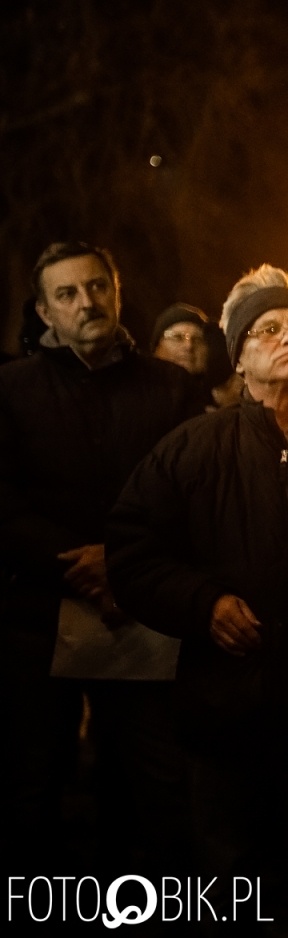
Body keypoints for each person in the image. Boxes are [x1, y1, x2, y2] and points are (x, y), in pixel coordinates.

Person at [108, 264, 288, 934]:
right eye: (267, 329)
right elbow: (132, 551)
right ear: (238, 357)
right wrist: (203, 603)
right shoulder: (194, 446)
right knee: (232, 879)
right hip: (224, 711)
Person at [0, 242, 201, 877]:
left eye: (96, 287)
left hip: (141, 612)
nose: (86, 302)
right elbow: (4, 502)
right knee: (33, 785)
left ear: (117, 293)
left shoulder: (171, 388)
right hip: (38, 615)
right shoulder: (10, 389)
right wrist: (78, 564)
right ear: (44, 312)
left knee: (160, 789)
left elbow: (189, 497)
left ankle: (162, 908)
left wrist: (122, 564)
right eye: (67, 294)